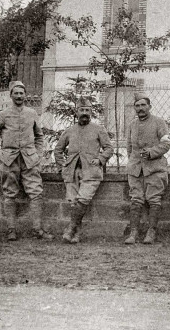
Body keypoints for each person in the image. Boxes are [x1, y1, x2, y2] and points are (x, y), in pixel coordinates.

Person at [0, 81, 53, 241]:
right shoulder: (3, 114)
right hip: (8, 161)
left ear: (25, 95)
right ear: (11, 95)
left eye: (22, 93)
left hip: (29, 160)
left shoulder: (32, 113)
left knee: (36, 193)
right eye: (16, 93)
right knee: (9, 194)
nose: (19, 96)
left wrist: (38, 155)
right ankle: (11, 230)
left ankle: (37, 230)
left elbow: (39, 136)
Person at [54, 96, 113, 244]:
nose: (85, 113)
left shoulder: (99, 129)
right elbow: (58, 150)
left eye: (88, 110)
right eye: (82, 110)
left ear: (91, 112)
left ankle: (70, 228)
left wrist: (100, 159)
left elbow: (109, 148)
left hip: (91, 171)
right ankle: (77, 234)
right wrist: (63, 165)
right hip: (72, 172)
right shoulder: (69, 131)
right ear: (76, 112)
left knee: (82, 200)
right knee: (74, 203)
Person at [124, 93, 170, 245]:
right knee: (136, 199)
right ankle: (133, 233)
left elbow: (166, 145)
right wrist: (133, 161)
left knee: (154, 199)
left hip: (155, 168)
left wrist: (151, 153)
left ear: (149, 107)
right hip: (136, 169)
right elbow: (129, 148)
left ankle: (151, 232)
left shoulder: (159, 122)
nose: (140, 108)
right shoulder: (132, 125)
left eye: (143, 105)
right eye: (137, 106)